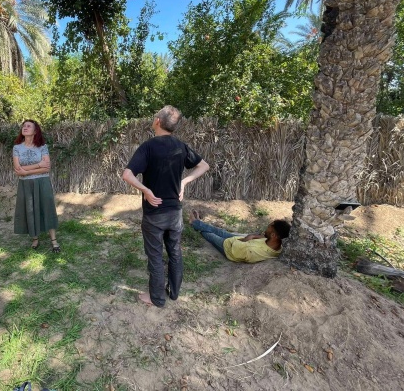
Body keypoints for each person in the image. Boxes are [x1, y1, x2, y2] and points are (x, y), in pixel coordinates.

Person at [122, 105, 210, 307]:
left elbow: (127, 175)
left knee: (155, 255)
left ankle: (157, 299)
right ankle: (174, 293)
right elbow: (204, 165)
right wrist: (184, 182)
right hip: (175, 213)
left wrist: (146, 190)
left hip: (154, 213)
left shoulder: (148, 147)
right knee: (175, 252)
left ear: (157, 122)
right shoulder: (181, 146)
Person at [13, 119, 60, 252]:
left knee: (47, 207)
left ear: (35, 131)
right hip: (25, 184)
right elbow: (17, 169)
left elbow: (46, 168)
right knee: (30, 209)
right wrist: (38, 165)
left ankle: (54, 240)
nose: (25, 127)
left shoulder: (42, 147)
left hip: (42, 182)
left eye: (29, 126)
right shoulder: (17, 147)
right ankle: (35, 238)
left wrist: (26, 170)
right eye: (24, 126)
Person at [189, 210, 291, 263]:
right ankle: (197, 222)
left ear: (273, 235)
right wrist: (253, 236)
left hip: (230, 248)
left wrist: (246, 239)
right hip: (239, 242)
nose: (266, 228)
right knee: (218, 230)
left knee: (211, 235)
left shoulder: (253, 251)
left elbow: (237, 248)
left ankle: (195, 224)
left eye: (269, 227)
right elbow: (263, 239)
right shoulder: (277, 245)